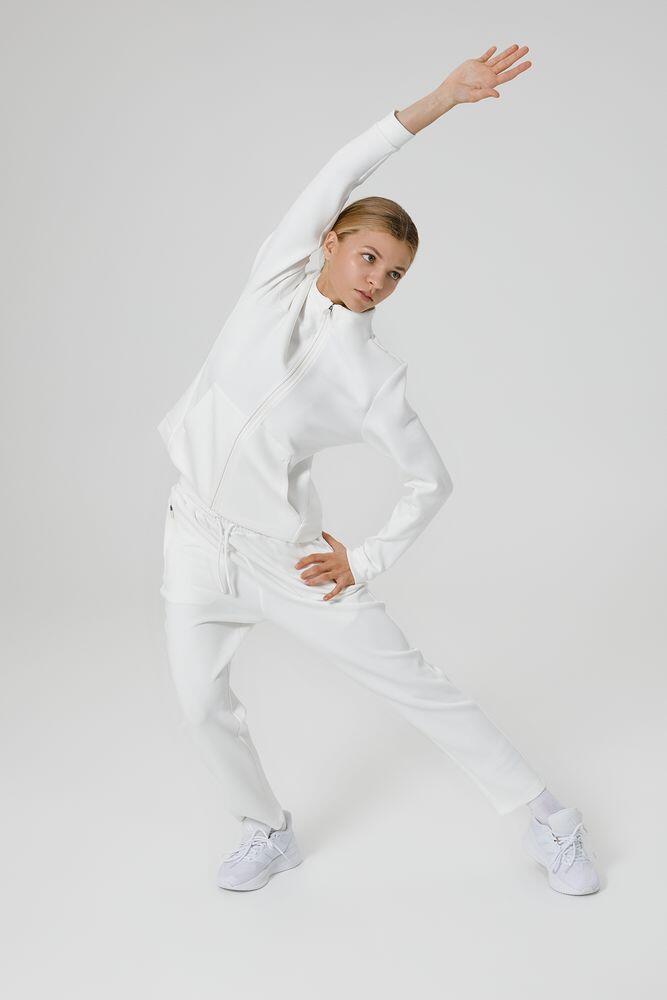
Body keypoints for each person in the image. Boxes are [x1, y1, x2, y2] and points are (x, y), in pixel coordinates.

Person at [157, 43, 600, 896]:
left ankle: (550, 821)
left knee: (413, 683)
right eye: (367, 259)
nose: (378, 281)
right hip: (194, 536)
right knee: (200, 703)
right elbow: (345, 165)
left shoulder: (371, 376)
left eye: (395, 274)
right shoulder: (273, 282)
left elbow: (431, 480)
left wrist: (362, 559)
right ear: (328, 244)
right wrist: (442, 98)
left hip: (283, 557)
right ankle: (265, 830)